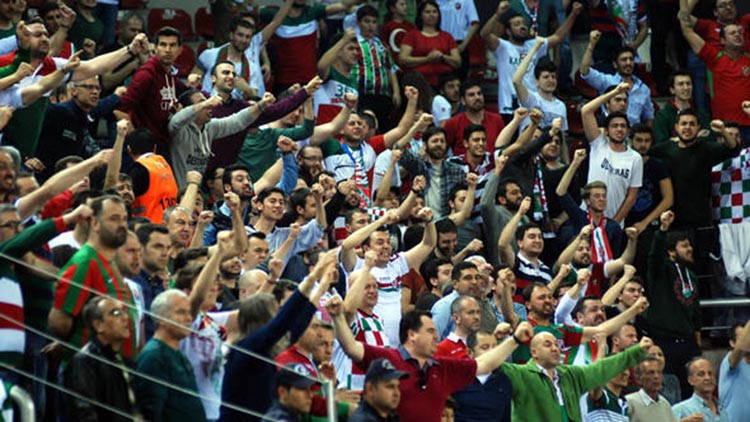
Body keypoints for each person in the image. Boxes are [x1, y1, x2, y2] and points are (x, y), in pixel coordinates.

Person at [327, 290, 537, 422]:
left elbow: (483, 364)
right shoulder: (388, 360)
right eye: (430, 331)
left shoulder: (442, 367)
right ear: (412, 335)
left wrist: (514, 340)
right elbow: (351, 347)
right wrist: (337, 317)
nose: (437, 336)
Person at [48, 195, 140, 362]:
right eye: (114, 219)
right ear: (95, 223)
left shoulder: (110, 262)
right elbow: (59, 323)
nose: (122, 225)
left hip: (115, 368)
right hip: (91, 369)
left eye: (124, 219)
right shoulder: (85, 263)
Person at [501, 331, 655, 421]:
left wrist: (635, 352)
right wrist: (510, 340)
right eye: (548, 345)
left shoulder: (570, 375)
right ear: (534, 352)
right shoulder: (521, 374)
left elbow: (601, 369)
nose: (555, 348)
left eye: (556, 344)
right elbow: (492, 365)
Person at [340, 207, 435, 346]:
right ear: (366, 249)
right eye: (380, 242)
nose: (386, 246)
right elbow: (346, 246)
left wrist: (429, 221)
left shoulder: (397, 263)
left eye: (388, 242)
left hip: (395, 345)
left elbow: (428, 244)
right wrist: (382, 221)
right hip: (368, 340)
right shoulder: (358, 266)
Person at [480, 1, 581, 118]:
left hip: (532, 107)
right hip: (509, 108)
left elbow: (558, 37)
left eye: (523, 23)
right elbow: (484, 34)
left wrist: (573, 14)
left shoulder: (534, 45)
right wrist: (497, 14)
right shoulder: (502, 47)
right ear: (508, 31)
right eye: (517, 24)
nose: (522, 26)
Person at [641, 210, 702, 401]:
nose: (690, 249)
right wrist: (662, 230)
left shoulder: (692, 276)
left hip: (688, 343)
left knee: (692, 393)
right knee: (667, 394)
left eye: (689, 245)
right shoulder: (661, 271)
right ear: (671, 252)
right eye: (684, 246)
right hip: (664, 342)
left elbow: (695, 311)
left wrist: (697, 339)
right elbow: (654, 257)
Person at [167, 89, 275, 189]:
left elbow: (238, 121)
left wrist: (261, 105)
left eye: (208, 102)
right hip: (176, 193)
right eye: (202, 102)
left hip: (197, 193)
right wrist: (205, 103)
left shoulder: (210, 127)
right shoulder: (180, 129)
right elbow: (176, 120)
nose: (210, 106)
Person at [133, 289, 205, 420]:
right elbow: (151, 412)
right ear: (161, 319)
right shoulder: (154, 356)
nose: (189, 318)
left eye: (189, 312)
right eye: (181, 312)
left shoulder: (178, 354)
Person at [63, 296, 138, 422]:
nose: (125, 318)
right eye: (116, 313)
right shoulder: (85, 361)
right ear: (98, 325)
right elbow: (83, 413)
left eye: (124, 312)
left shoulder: (124, 362)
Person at [116, 26, 190, 150]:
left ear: (180, 50)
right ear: (155, 48)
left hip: (164, 142)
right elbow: (120, 111)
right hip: (148, 147)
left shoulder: (170, 73)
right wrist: (137, 141)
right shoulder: (146, 74)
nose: (168, 50)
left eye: (172, 45)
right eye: (163, 45)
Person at [196, 3, 292, 99]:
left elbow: (256, 97)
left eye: (247, 36)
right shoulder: (209, 55)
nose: (243, 40)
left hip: (237, 107)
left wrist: (246, 88)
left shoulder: (252, 67)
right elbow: (193, 81)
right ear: (231, 35)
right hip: (207, 105)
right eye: (240, 35)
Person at [259, 0, 357, 92]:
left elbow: (343, 5)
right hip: (283, 81)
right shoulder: (272, 14)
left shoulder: (312, 12)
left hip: (310, 81)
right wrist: (266, 61)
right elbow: (257, 40)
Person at [581, 82, 643, 223]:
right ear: (606, 131)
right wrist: (615, 92)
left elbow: (631, 197)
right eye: (614, 126)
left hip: (614, 222)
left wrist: (614, 224)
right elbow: (586, 111)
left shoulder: (635, 158)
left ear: (628, 131)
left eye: (623, 126)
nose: (619, 129)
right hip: (586, 219)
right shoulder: (598, 144)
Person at [680, 12, 750, 133]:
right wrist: (685, 5)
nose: (737, 35)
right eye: (732, 33)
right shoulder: (714, 58)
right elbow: (687, 32)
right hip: (724, 127)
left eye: (739, 32)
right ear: (722, 40)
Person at [580, 31, 654, 126]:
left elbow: (649, 117)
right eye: (624, 60)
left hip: (633, 133)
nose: (628, 63)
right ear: (615, 64)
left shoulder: (644, 89)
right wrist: (591, 45)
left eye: (631, 59)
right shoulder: (606, 81)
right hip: (610, 130)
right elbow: (584, 71)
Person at [352, 5, 400, 128]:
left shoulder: (381, 44)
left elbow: (390, 67)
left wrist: (396, 91)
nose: (370, 26)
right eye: (367, 21)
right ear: (358, 22)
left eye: (374, 22)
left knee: (382, 127)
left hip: (381, 95)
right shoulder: (353, 43)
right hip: (360, 94)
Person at [398, 1, 461, 87]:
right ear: (420, 15)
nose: (431, 15)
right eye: (427, 12)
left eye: (434, 12)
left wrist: (442, 57)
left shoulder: (447, 36)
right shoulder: (412, 35)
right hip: (419, 83)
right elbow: (402, 60)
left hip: (445, 84)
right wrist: (427, 59)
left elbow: (457, 62)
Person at [126, 128, 178, 224]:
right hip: (169, 225)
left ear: (129, 150)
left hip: (148, 227)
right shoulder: (165, 165)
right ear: (155, 148)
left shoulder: (139, 168)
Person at [443, 82, 505, 156]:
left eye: (479, 93)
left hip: (493, 162)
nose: (477, 97)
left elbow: (503, 148)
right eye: (471, 95)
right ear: (463, 100)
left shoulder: (497, 120)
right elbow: (443, 150)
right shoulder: (452, 123)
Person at [653, 70, 710, 144]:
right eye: (681, 84)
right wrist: (695, 137)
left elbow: (709, 139)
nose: (686, 88)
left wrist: (677, 140)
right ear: (672, 90)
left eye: (688, 84)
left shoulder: (701, 114)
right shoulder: (663, 116)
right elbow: (662, 144)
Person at [349, 358, 408, 422]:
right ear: (370, 389)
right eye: (390, 387)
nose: (396, 393)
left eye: (398, 387)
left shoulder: (391, 418)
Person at [625, 357, 678, 421]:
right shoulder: (629, 402)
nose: (656, 376)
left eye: (659, 372)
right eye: (650, 373)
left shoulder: (665, 404)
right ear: (638, 379)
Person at [719, 321, 750, 421]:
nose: (748, 341)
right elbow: (740, 348)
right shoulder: (729, 361)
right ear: (732, 343)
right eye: (743, 338)